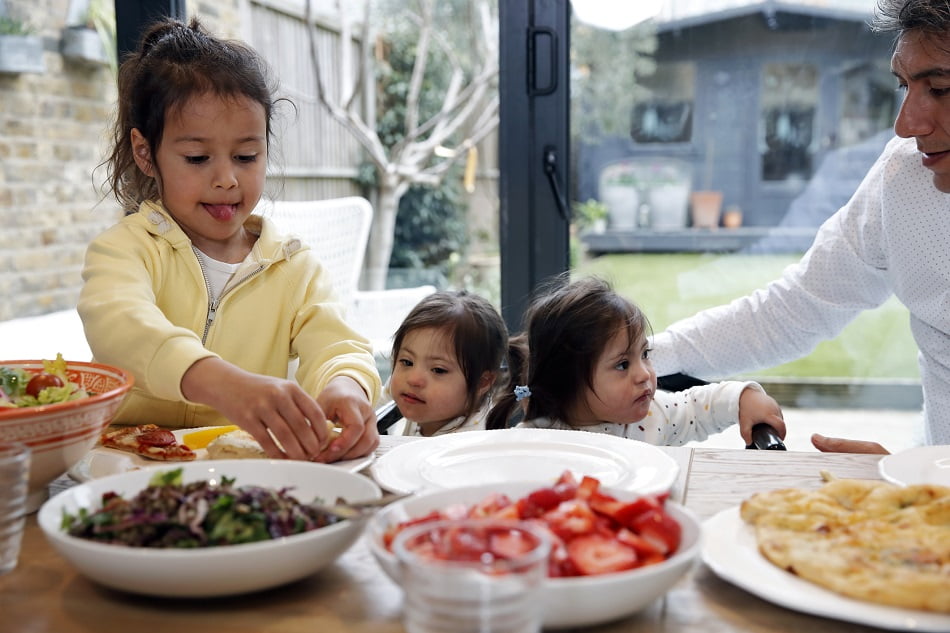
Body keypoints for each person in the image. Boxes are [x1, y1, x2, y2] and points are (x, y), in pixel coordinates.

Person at [650, 0, 950, 454]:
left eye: (941, 88)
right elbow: (796, 307)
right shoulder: (904, 177)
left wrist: (917, 483)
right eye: (904, 86)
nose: (906, 125)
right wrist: (635, 359)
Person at [78, 17, 381, 462]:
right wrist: (224, 384)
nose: (226, 179)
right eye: (197, 158)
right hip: (128, 460)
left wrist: (345, 386)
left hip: (244, 467)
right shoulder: (125, 250)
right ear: (146, 154)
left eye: (246, 156)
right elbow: (121, 327)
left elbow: (339, 346)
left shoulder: (292, 266)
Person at [486, 276, 786, 447]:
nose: (645, 374)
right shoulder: (532, 443)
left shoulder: (656, 417)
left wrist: (742, 398)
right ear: (567, 381)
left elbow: (700, 404)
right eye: (622, 365)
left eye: (644, 355)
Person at [384, 290, 508, 436]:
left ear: (482, 382)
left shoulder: (468, 444)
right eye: (407, 362)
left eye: (438, 370)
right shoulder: (418, 397)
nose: (413, 379)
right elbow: (379, 399)